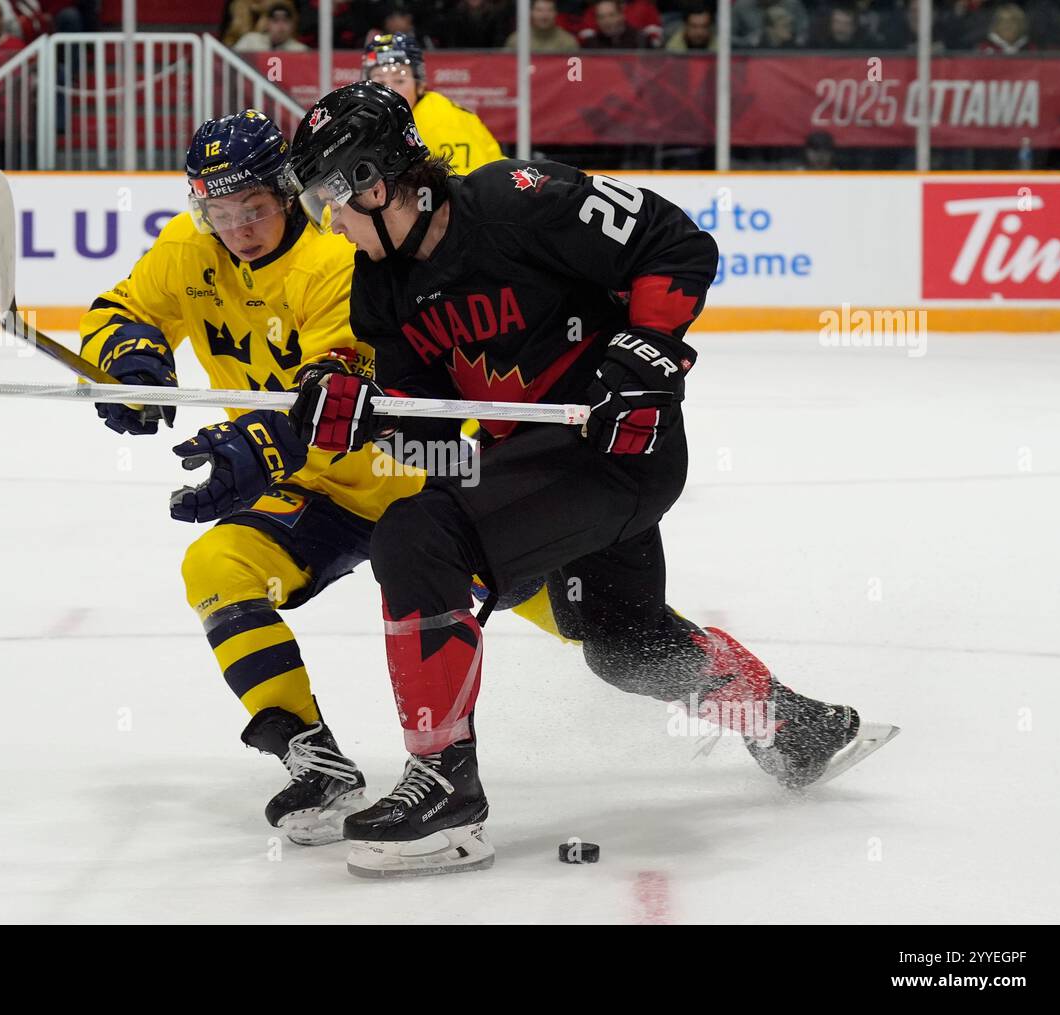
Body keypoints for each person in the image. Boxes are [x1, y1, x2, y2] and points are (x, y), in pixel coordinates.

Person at [283, 82, 897, 877]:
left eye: (333, 198)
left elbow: (676, 244)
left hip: (619, 450)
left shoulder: (513, 200)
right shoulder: (382, 286)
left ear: (376, 180)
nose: (329, 221)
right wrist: (363, 415)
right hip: (536, 462)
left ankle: (448, 793)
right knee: (620, 641)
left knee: (416, 533)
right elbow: (430, 430)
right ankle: (794, 727)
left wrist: (648, 356)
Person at [78, 110, 423, 846]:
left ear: (290, 193)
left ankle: (717, 681)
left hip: (408, 484)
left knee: (592, 624)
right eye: (218, 210)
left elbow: (333, 395)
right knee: (217, 564)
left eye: (255, 207)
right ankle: (314, 756)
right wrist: (132, 360)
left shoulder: (337, 260)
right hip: (310, 492)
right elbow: (121, 309)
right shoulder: (186, 249)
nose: (238, 226)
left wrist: (252, 450)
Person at [362, 31, 503, 176]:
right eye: (379, 82)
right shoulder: (380, 122)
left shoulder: (442, 121)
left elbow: (466, 190)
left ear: (420, 85)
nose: (389, 90)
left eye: (399, 80)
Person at [504, 0, 580, 51]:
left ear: (555, 13)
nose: (544, 15)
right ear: (531, 13)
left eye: (549, 10)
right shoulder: (516, 40)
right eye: (539, 10)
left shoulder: (568, 41)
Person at [234, 1, 308, 51]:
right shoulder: (250, 41)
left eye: (285, 21)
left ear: (293, 25)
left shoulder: (300, 50)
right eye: (275, 21)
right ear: (267, 24)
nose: (281, 26)